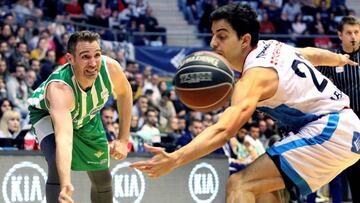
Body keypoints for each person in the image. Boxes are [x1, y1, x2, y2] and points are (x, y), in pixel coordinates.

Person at [130, 4, 359, 203]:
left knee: (239, 185)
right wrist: (338, 58)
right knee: (263, 193)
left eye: (222, 36)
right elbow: (310, 54)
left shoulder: (254, 77)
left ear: (245, 39)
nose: (213, 43)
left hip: (330, 129)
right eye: (213, 35)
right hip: (344, 127)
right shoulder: (273, 46)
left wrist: (176, 159)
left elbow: (224, 130)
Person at [28, 31, 133, 203]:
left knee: (103, 179)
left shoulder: (111, 68)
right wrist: (66, 183)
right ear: (70, 59)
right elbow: (64, 139)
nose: (93, 63)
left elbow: (125, 94)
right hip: (47, 114)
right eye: (85, 57)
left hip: (86, 116)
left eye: (97, 55)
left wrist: (123, 139)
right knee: (57, 164)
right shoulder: (60, 90)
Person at [317, 16, 360, 203]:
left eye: (357, 32)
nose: (353, 36)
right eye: (349, 33)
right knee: (354, 170)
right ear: (339, 35)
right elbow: (314, 82)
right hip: (348, 123)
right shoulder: (332, 59)